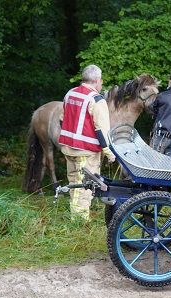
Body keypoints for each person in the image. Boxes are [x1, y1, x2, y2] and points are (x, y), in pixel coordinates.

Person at [59, 64, 115, 221]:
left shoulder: (69, 94)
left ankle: (74, 213)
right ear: (97, 80)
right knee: (84, 186)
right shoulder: (96, 100)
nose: (101, 84)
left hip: (68, 148)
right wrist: (108, 152)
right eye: (101, 81)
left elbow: (62, 120)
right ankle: (79, 220)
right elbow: (101, 130)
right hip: (86, 151)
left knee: (73, 182)